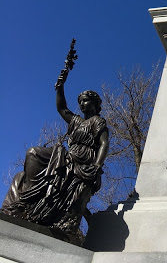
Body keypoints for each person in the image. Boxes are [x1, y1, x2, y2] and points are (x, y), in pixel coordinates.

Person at [2, 71, 109, 240]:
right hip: (68, 157)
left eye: (85, 101)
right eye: (79, 102)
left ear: (95, 102)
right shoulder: (76, 121)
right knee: (32, 154)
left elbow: (104, 143)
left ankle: (27, 200)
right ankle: (27, 199)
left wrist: (97, 166)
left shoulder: (97, 121)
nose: (81, 104)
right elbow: (61, 108)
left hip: (82, 161)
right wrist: (60, 87)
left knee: (34, 153)